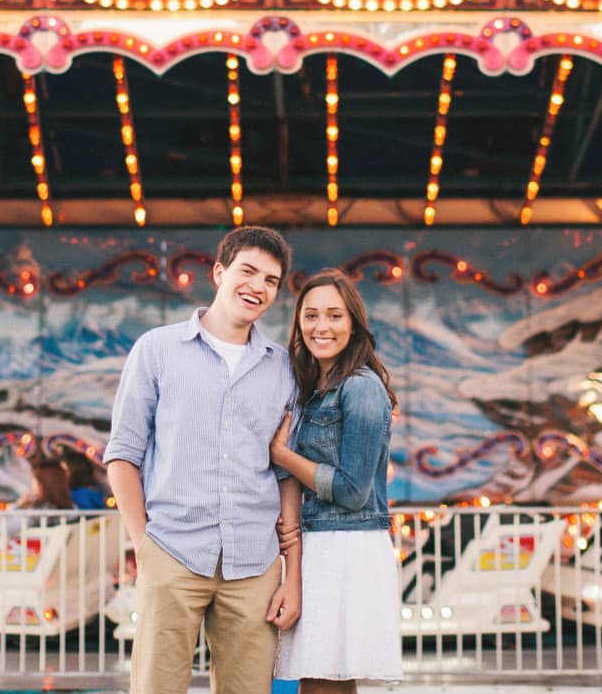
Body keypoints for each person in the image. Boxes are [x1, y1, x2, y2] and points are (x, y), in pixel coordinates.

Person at [104, 225, 303, 694]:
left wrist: (291, 571)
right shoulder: (157, 350)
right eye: (247, 271)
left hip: (254, 563)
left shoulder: (283, 368)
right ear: (219, 272)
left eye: (270, 281)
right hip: (172, 553)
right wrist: (143, 545)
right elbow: (123, 455)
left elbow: (285, 472)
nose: (257, 287)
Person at [270, 271, 401, 691]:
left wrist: (283, 456)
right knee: (322, 681)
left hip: (347, 545)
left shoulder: (360, 387)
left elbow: (351, 490)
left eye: (334, 315)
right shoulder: (315, 388)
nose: (321, 326)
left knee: (323, 681)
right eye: (310, 316)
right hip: (322, 543)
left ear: (353, 324)